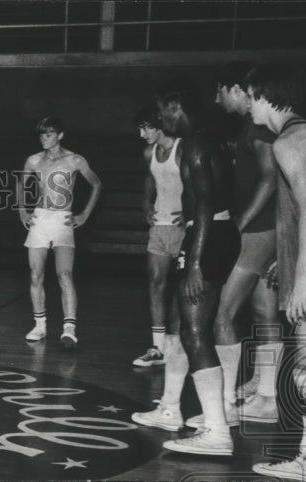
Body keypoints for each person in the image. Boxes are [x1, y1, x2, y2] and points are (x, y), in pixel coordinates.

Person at [246, 63, 306, 482]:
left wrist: (301, 280)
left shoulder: (289, 142)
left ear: (265, 95)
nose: (247, 105)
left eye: (250, 95)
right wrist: (289, 258)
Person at [154, 78, 240, 456]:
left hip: (208, 234)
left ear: (176, 107)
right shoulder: (212, 138)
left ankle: (218, 432)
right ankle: (183, 412)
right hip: (217, 230)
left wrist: (195, 264)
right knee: (188, 323)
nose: (160, 119)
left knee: (193, 331)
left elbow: (204, 203)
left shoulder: (195, 145)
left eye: (162, 111)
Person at [205, 61, 282, 428]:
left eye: (220, 91)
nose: (217, 100)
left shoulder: (262, 128)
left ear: (236, 89)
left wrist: (239, 224)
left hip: (257, 232)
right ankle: (267, 394)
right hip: (267, 232)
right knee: (265, 312)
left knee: (222, 313)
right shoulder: (252, 127)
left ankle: (222, 413)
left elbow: (270, 180)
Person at [19, 117, 102, 348]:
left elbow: (96, 184)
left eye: (48, 134)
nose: (43, 138)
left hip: (63, 220)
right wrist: (23, 211)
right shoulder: (33, 160)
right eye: (41, 134)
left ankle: (69, 328)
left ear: (60, 135)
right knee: (35, 274)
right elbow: (21, 184)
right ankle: (40, 325)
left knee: (64, 274)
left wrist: (85, 214)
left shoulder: (75, 159)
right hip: (40, 219)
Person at [133, 105, 184, 367]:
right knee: (156, 283)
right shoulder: (148, 152)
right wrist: (145, 204)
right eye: (140, 128)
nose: (142, 133)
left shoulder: (183, 148)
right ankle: (158, 347)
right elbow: (150, 178)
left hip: (184, 228)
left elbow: (201, 182)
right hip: (159, 225)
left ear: (160, 125)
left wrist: (192, 212)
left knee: (181, 288)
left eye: (146, 127)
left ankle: (176, 347)